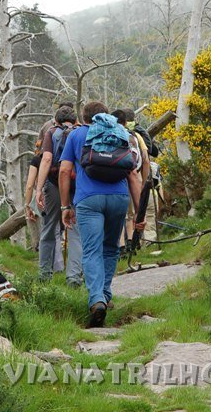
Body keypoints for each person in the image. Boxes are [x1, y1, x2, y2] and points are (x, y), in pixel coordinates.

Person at [59, 101, 145, 327]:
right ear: (106, 116)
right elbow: (133, 175)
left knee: (91, 250)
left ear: (84, 118)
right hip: (119, 198)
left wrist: (65, 206)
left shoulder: (76, 135)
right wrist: (139, 212)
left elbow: (65, 171)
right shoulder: (121, 133)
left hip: (88, 200)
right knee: (111, 248)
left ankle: (97, 299)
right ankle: (105, 294)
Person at [35, 106, 83, 286]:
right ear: (75, 120)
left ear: (55, 120)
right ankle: (74, 276)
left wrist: (39, 189)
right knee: (75, 230)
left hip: (55, 184)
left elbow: (47, 159)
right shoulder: (80, 132)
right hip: (77, 185)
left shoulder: (51, 132)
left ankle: (44, 274)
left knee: (49, 227)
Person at [112, 109, 150, 257]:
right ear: (126, 122)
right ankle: (132, 243)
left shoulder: (110, 135)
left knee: (120, 214)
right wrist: (144, 182)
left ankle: (121, 246)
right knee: (132, 213)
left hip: (116, 179)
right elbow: (145, 159)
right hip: (135, 175)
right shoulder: (135, 136)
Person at [24, 154, 64, 269]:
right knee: (60, 231)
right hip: (65, 194)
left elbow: (30, 185)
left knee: (49, 230)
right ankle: (62, 266)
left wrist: (27, 205)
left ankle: (55, 267)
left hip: (46, 197)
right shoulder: (60, 156)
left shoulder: (37, 160)